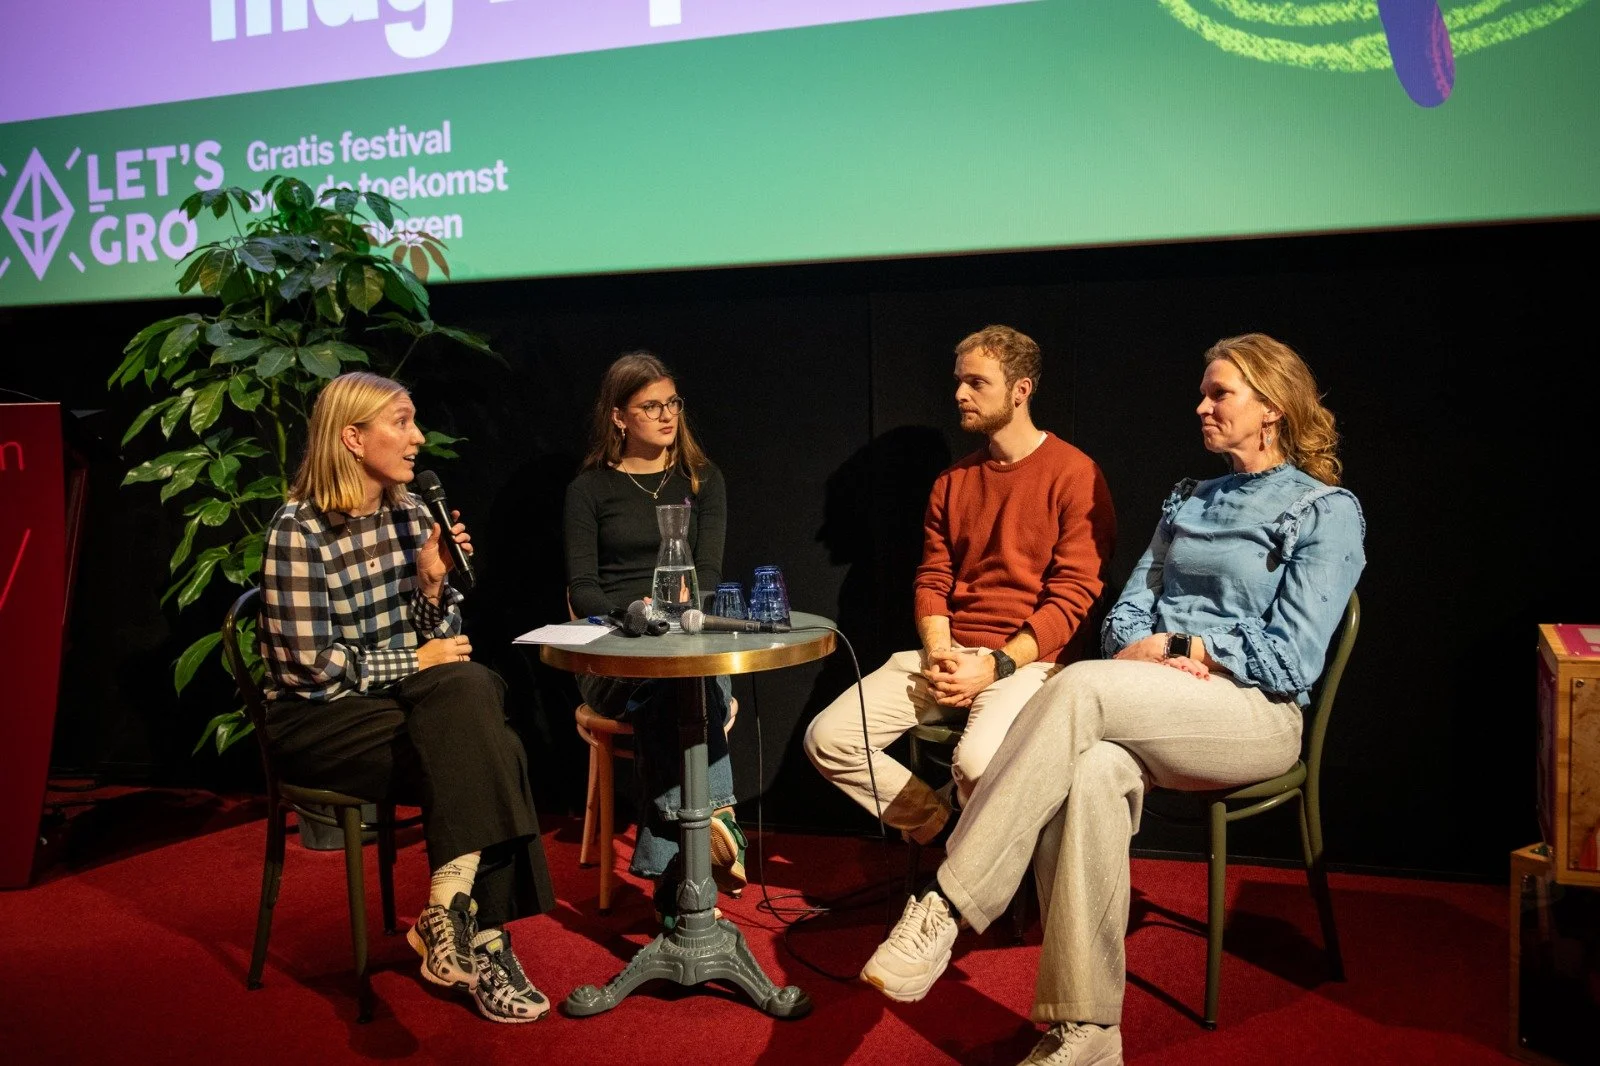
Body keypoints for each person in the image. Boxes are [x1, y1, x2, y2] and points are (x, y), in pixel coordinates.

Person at [859, 333, 1367, 1066]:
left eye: (1218, 392)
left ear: (1273, 408)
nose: (1200, 405)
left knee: (1078, 689)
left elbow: (1291, 659)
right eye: (1204, 391)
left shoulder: (1326, 511)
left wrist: (1189, 648)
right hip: (1154, 698)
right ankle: (1091, 1032)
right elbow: (1126, 616)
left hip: (1254, 715)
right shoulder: (1190, 499)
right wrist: (1157, 648)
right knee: (1093, 771)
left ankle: (945, 904)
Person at [258, 371, 555, 1024]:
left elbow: (445, 647)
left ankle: (457, 918)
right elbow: (311, 670)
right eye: (403, 422)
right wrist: (412, 658)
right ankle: (483, 935)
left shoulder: (412, 512)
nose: (418, 438)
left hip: (403, 706)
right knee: (492, 744)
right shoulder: (296, 531)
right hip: (318, 723)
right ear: (353, 437)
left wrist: (430, 586)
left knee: (474, 701)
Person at [804, 325, 1117, 844]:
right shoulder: (952, 482)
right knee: (829, 739)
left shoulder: (1074, 473)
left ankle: (983, 871)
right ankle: (938, 821)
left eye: (977, 383)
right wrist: (943, 652)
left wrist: (994, 665)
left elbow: (1075, 598)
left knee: (975, 767)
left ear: (1020, 391)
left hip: (1029, 664)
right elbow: (932, 578)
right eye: (958, 381)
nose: (959, 394)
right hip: (952, 653)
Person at [562, 350, 745, 927]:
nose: (667, 416)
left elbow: (709, 578)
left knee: (681, 677)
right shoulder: (589, 490)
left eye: (672, 403)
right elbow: (583, 590)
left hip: (685, 645)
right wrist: (633, 615)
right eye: (650, 407)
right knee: (677, 686)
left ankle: (669, 873)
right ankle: (713, 819)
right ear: (619, 417)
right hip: (614, 653)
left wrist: (677, 620)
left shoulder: (701, 479)